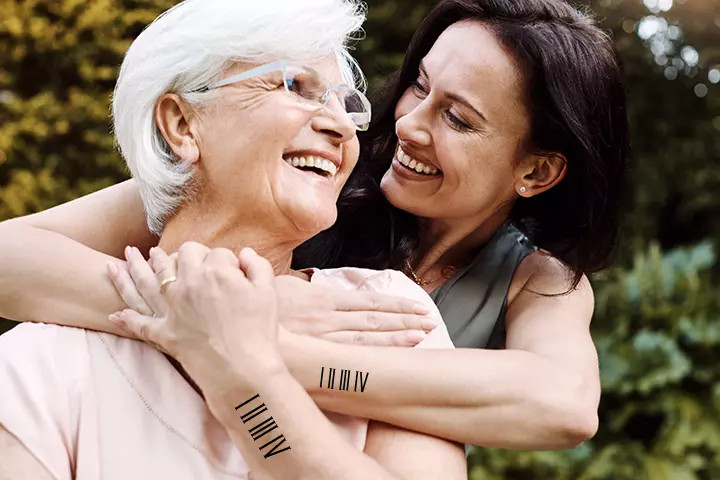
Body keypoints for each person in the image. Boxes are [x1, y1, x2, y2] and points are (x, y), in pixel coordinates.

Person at [0, 0, 629, 452]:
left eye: (458, 119)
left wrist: (256, 349)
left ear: (537, 172)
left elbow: (560, 404)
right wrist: (222, 305)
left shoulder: (539, 279)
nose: (406, 125)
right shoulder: (301, 175)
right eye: (419, 85)